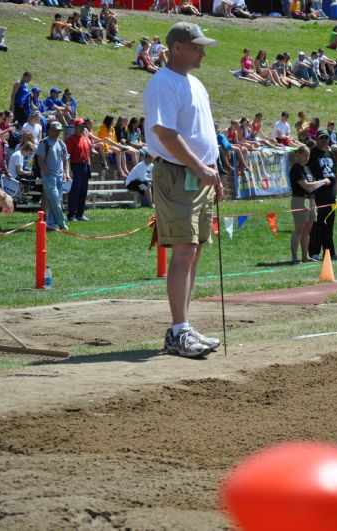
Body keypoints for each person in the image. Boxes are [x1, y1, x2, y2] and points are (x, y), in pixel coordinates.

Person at [142, 22, 224, 358]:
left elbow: (201, 133)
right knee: (184, 251)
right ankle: (178, 330)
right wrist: (200, 168)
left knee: (195, 251)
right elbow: (166, 134)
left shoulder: (196, 83)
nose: (203, 52)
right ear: (177, 47)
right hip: (178, 175)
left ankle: (184, 327)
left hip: (198, 176)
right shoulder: (162, 82)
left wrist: (213, 171)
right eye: (197, 46)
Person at [289, 145, 329, 263]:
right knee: (299, 230)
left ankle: (305, 256)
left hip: (311, 200)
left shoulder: (307, 168)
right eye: (305, 155)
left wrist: (320, 184)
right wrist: (322, 181)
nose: (307, 158)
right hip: (300, 200)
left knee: (307, 230)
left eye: (308, 155)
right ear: (298, 155)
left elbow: (312, 184)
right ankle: (295, 257)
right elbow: (305, 185)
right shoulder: (296, 168)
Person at [308, 132, 337, 260]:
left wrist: (335, 193)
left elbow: (334, 172)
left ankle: (330, 251)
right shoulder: (312, 154)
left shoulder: (330, 153)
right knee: (317, 224)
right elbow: (309, 174)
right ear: (316, 139)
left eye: (326, 138)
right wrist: (311, 195)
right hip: (318, 194)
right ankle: (314, 251)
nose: (324, 140)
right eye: (321, 138)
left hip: (330, 195)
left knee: (329, 224)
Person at [36, 121, 71, 230]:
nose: (57, 132)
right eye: (55, 130)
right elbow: (40, 161)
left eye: (59, 130)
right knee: (55, 200)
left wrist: (66, 173)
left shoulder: (61, 144)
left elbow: (66, 160)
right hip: (49, 176)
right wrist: (47, 174)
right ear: (49, 130)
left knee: (54, 201)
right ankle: (61, 222)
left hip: (60, 176)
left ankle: (51, 224)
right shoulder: (44, 143)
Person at [65, 118, 93, 222]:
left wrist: (88, 164)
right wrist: (69, 171)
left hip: (84, 166)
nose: (83, 128)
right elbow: (67, 156)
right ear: (75, 127)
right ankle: (71, 215)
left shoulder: (84, 139)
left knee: (83, 191)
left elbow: (88, 153)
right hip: (75, 166)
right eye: (81, 126)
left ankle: (80, 214)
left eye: (83, 127)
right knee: (74, 192)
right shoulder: (71, 139)